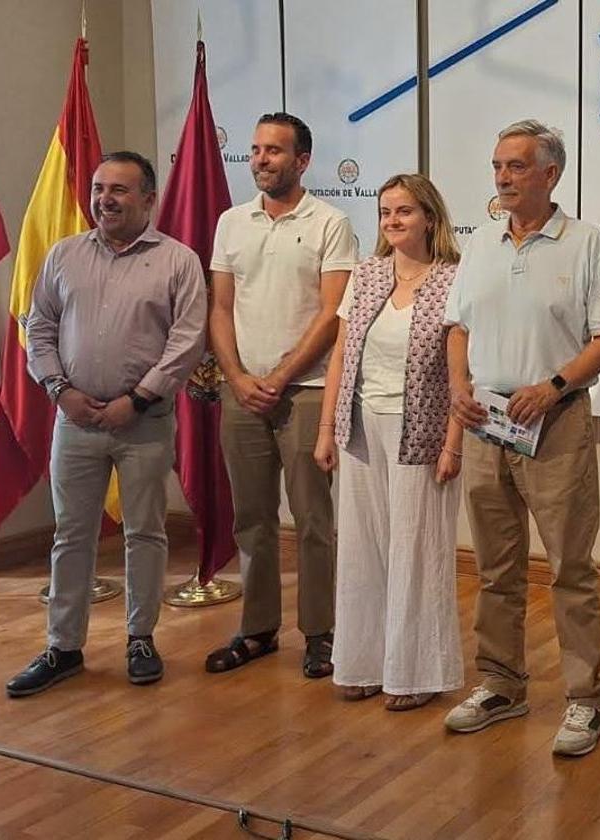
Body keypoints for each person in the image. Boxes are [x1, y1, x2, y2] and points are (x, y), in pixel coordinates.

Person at [444, 119, 600, 757]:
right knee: (495, 568)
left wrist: (552, 385)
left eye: (516, 166)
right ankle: (501, 683)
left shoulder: (589, 244)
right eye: (497, 166)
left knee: (570, 567)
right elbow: (456, 326)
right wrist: (458, 386)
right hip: (486, 423)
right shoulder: (481, 244)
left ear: (551, 174)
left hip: (556, 421)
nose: (502, 178)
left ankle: (584, 699)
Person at [7, 152, 207, 697]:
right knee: (71, 536)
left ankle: (140, 637)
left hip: (143, 423)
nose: (105, 200)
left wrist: (138, 401)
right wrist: (59, 390)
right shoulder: (63, 256)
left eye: (119, 190)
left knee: (145, 531)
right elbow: (40, 327)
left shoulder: (177, 261)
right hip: (73, 422)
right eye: (99, 189)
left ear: (148, 198)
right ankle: (63, 646)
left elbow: (187, 341)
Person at [204, 112, 358, 679]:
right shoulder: (231, 222)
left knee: (313, 521)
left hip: (308, 391)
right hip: (242, 392)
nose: (261, 160)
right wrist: (240, 377)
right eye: (255, 149)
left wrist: (284, 374)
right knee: (252, 519)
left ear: (302, 160)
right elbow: (219, 308)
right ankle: (257, 629)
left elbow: (333, 312)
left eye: (273, 151)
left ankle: (320, 633)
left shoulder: (331, 222)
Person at [314, 174, 465, 710]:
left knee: (417, 549)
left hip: (421, 432)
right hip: (360, 428)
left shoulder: (453, 279)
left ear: (429, 217)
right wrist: (327, 428)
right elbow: (340, 356)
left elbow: (458, 374)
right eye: (384, 212)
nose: (392, 221)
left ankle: (417, 673)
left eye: (404, 211)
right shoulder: (368, 274)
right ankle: (363, 662)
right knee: (362, 548)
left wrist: (454, 444)